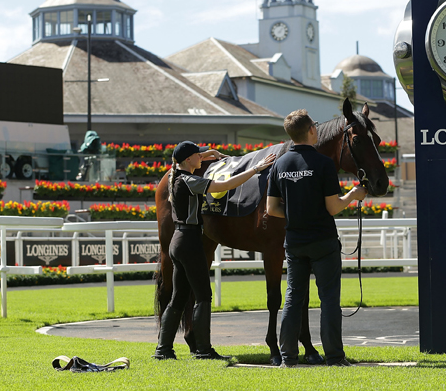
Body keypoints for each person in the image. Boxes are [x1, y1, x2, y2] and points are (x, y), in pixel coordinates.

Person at [153, 141, 276, 360]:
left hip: (178, 241)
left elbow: (194, 160)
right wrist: (256, 169)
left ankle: (163, 350)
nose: (201, 158)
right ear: (189, 159)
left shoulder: (176, 177)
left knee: (179, 296)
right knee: (203, 296)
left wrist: (207, 153)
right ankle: (203, 350)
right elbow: (224, 186)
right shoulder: (191, 181)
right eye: (197, 155)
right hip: (190, 242)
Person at [266, 109, 367, 367]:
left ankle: (288, 357)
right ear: (312, 130)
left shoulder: (279, 164)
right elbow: (333, 207)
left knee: (293, 298)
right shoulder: (322, 163)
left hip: (295, 242)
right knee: (329, 299)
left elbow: (271, 209)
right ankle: (334, 357)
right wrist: (353, 195)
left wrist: (294, 214)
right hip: (323, 240)